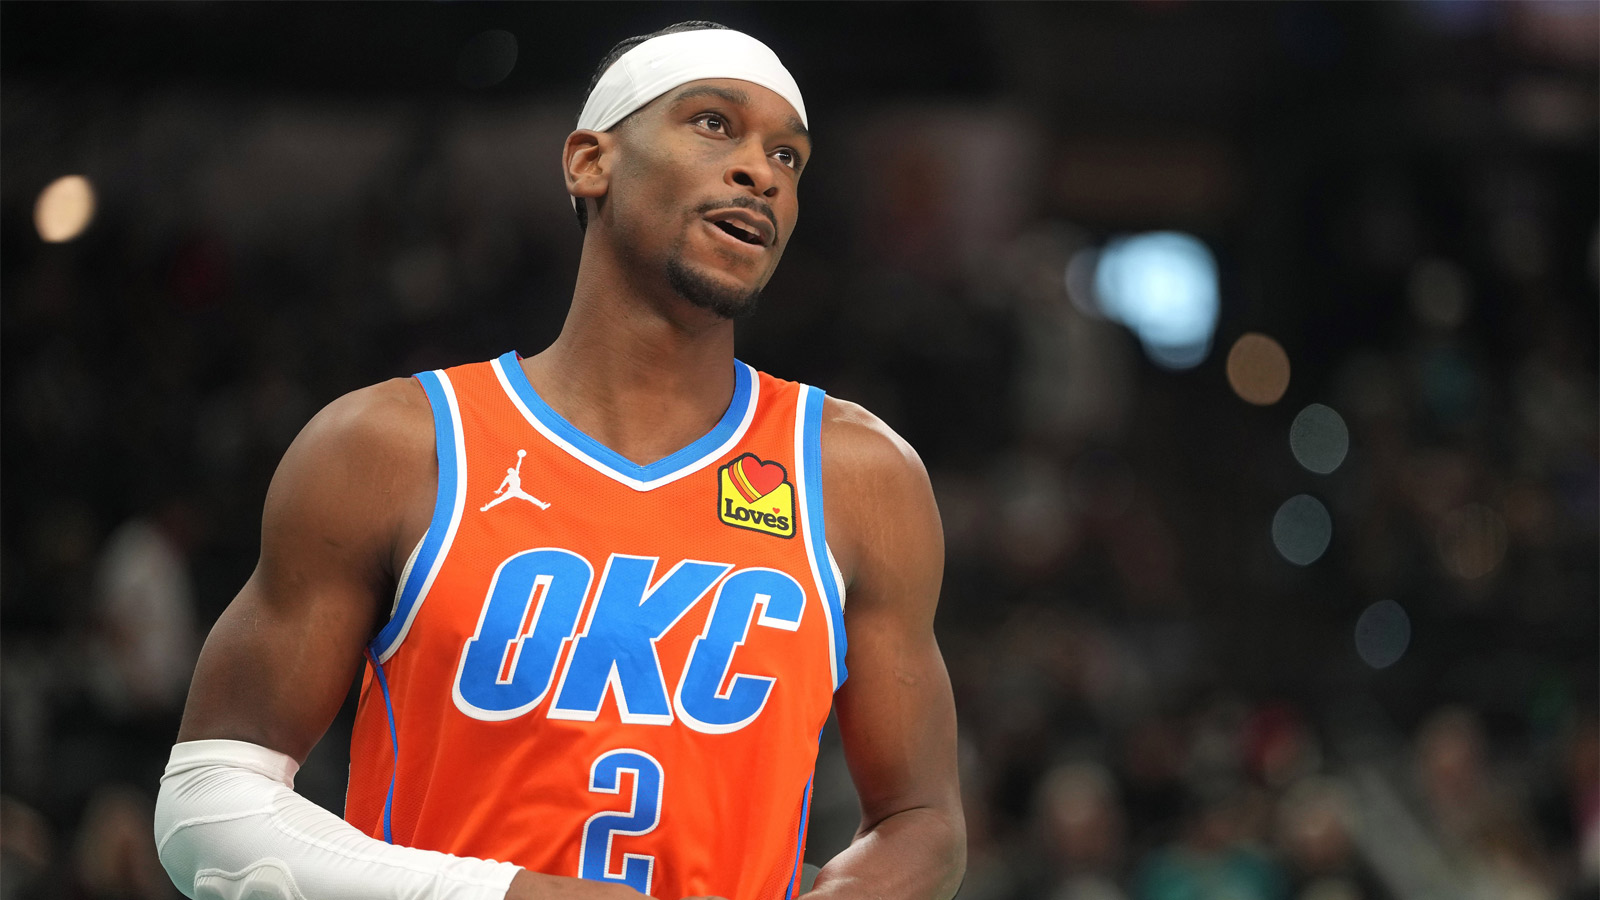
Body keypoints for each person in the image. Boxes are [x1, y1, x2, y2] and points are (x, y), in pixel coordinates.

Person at [153, 20, 966, 900]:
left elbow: (920, 822)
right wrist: (506, 896)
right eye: (713, 124)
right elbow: (208, 806)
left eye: (789, 157)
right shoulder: (390, 445)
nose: (761, 171)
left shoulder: (858, 473)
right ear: (589, 162)